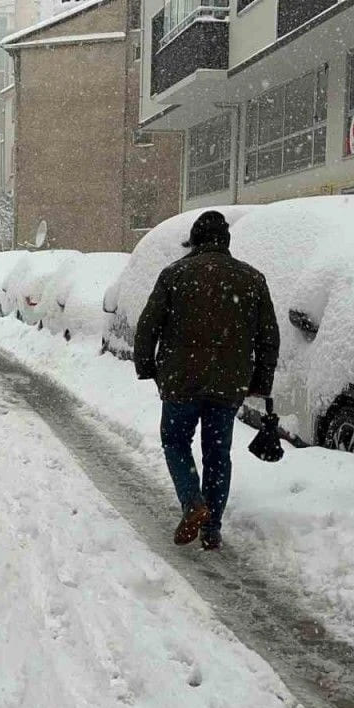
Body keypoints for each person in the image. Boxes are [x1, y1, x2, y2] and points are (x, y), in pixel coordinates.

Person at [133, 210, 279, 551]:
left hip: (181, 380)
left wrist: (147, 367)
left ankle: (192, 502)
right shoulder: (252, 279)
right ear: (225, 242)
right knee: (217, 453)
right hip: (228, 384)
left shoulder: (174, 275)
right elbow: (268, 336)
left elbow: (148, 326)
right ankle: (212, 526)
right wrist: (261, 380)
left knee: (175, 441)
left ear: (195, 241)